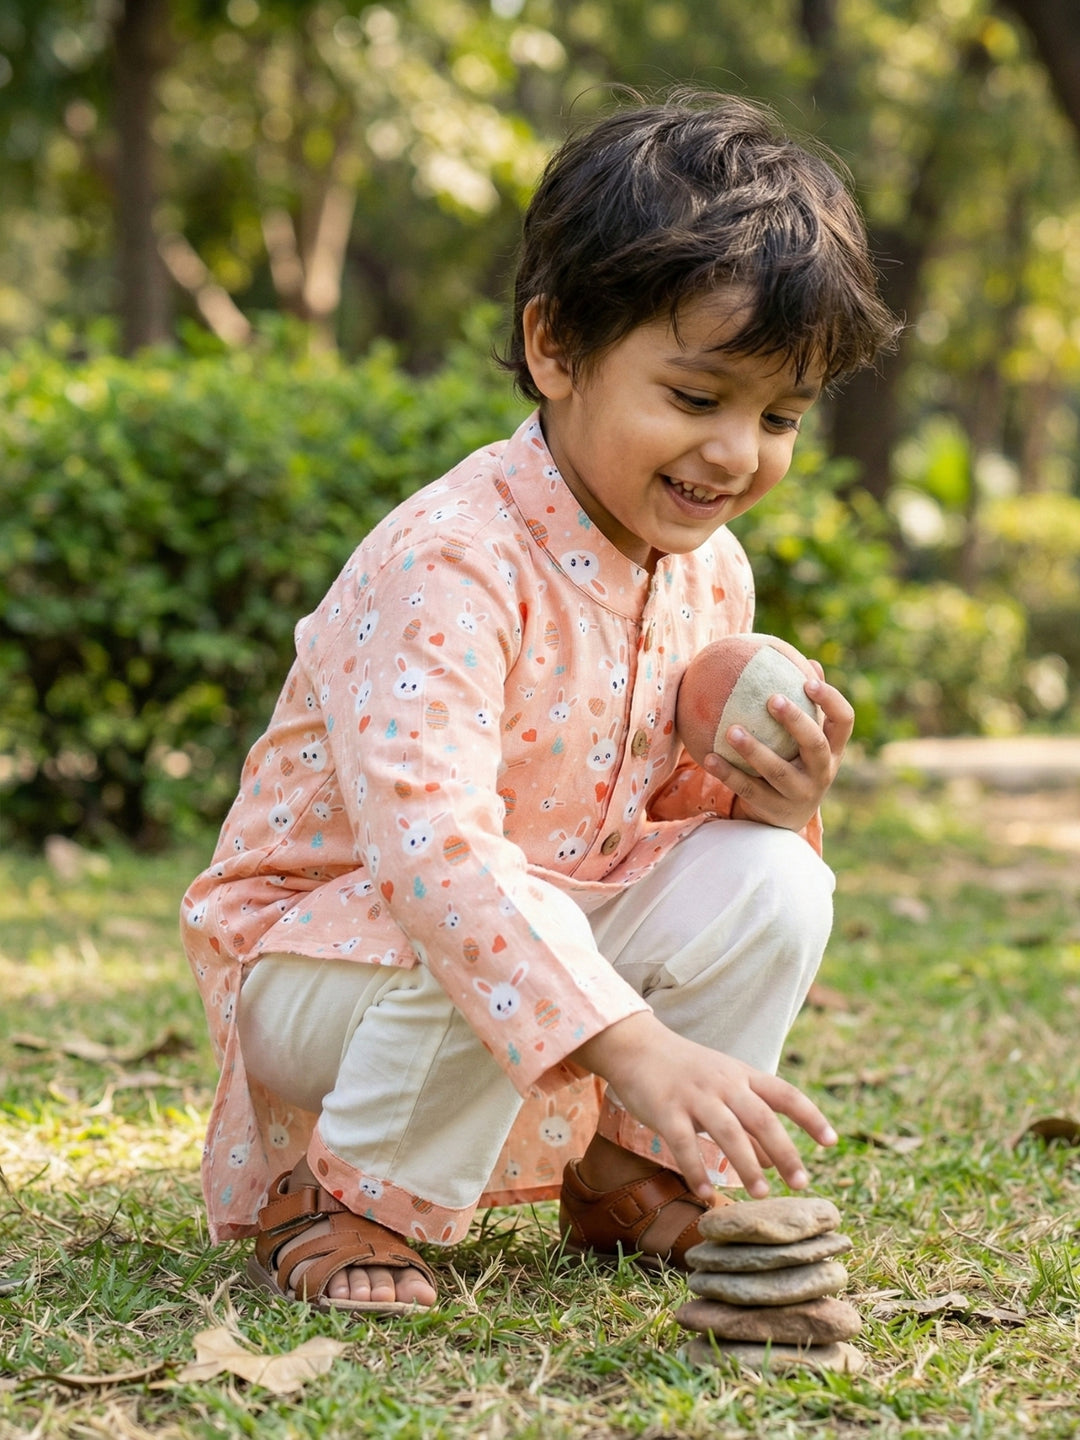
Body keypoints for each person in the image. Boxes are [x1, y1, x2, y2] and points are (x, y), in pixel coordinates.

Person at [181, 90, 899, 1316]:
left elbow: (672, 828)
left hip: (537, 920)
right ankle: (353, 1195)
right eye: (696, 398)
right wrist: (633, 1041)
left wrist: (772, 800)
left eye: (778, 416)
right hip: (327, 961)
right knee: (490, 906)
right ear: (557, 347)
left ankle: (629, 1166)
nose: (738, 453)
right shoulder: (453, 559)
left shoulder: (709, 569)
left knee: (776, 880)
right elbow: (435, 861)